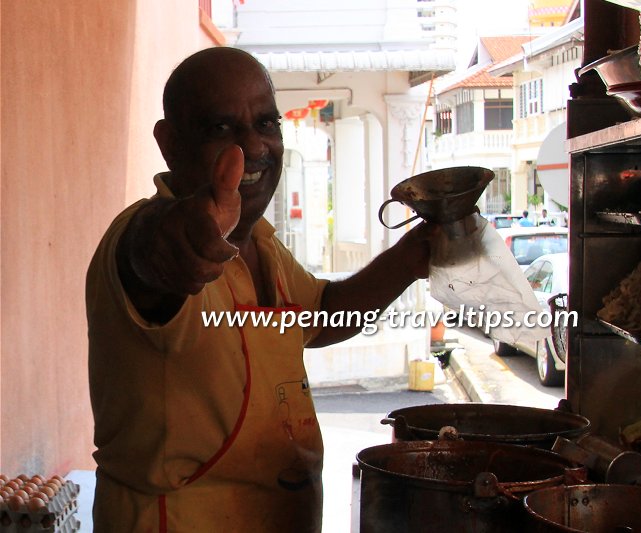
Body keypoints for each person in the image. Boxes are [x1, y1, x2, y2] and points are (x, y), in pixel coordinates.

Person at [86, 47, 432, 532]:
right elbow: (150, 256)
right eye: (220, 129)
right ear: (169, 144)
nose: (252, 147)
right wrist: (173, 243)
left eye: (266, 124)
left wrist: (414, 256)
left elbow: (325, 314)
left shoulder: (264, 246)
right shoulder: (141, 237)